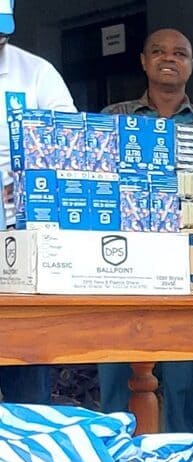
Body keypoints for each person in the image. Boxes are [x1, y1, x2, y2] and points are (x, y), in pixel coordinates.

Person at [97, 28, 193, 432]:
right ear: (143, 61)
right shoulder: (113, 119)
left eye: (180, 53)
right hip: (119, 270)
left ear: (191, 65)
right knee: (117, 383)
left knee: (184, 387)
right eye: (158, 51)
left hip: (187, 275)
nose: (169, 58)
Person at [0, 0, 75, 404]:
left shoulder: (36, 73)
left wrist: (30, 175)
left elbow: (71, 144)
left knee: (25, 375)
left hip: (20, 245)